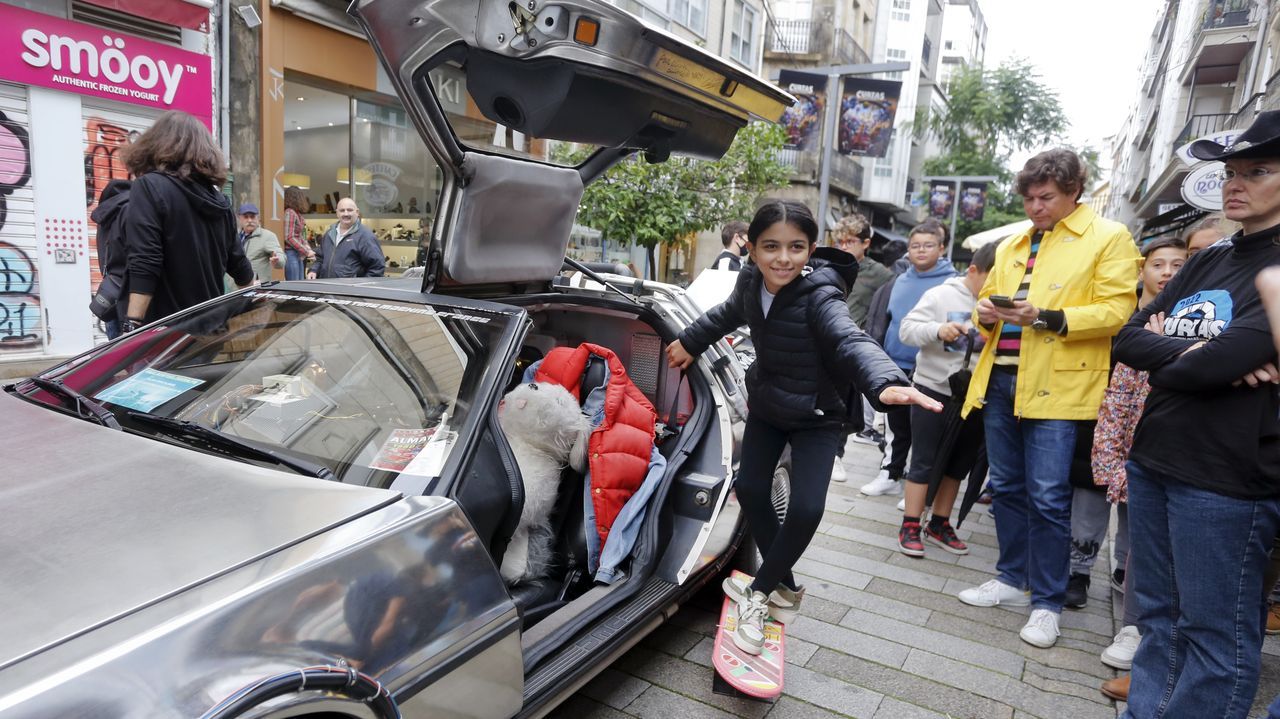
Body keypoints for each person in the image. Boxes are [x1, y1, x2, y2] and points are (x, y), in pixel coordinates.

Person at [666, 200, 943, 655]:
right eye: (771, 246)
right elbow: (728, 314)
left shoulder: (822, 294)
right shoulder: (751, 279)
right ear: (751, 249)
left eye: (796, 247)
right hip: (770, 405)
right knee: (751, 490)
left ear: (811, 250)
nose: (783, 258)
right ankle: (785, 584)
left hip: (819, 415)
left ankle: (759, 594)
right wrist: (689, 342)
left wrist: (886, 380)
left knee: (807, 508)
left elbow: (849, 338)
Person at [1113, 112, 1280, 719]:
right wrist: (1202, 354)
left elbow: (1217, 362)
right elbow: (1128, 339)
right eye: (1231, 172)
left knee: (1216, 635)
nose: (1236, 183)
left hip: (1227, 477)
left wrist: (1194, 355)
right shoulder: (1210, 257)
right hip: (1157, 455)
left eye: (1257, 171)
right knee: (1157, 618)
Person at [954, 148, 1141, 650]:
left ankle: (1049, 603)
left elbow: (1119, 310)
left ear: (1074, 190)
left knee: (1049, 496)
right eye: (1031, 198)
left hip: (1060, 383)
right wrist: (985, 316)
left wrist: (1046, 316)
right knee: (1008, 488)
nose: (1036, 207)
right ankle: (1012, 578)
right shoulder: (1014, 240)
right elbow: (984, 301)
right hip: (999, 379)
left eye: (1047, 197)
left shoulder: (1110, 236)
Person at [1087, 236, 1188, 703]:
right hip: (1139, 456)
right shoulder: (1141, 324)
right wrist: (1111, 460)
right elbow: (1119, 399)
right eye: (1158, 263)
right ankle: (1134, 630)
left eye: (1180, 263)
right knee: (1136, 550)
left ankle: (1166, 649)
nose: (1167, 272)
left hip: (1198, 455)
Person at [895, 240, 997, 557]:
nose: (995, 287)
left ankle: (939, 522)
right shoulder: (942, 294)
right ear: (973, 270)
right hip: (933, 389)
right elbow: (907, 330)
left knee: (958, 464)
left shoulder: (1002, 304)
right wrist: (939, 330)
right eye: (991, 278)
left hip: (976, 396)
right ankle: (911, 522)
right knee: (924, 460)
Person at [120, 110, 253, 332]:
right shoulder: (219, 201)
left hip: (162, 331)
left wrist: (132, 323)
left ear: (155, 144)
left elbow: (145, 261)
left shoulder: (149, 187)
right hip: (209, 331)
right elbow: (240, 267)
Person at [860, 223, 956, 498]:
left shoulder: (952, 283)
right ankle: (890, 473)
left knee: (926, 434)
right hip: (895, 366)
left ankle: (920, 489)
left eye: (928, 245)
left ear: (941, 248)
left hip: (931, 372)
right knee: (895, 427)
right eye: (915, 245)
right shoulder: (898, 281)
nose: (921, 250)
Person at [834, 213, 895, 450]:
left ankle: (838, 453)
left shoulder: (880, 274)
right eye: (840, 241)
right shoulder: (833, 265)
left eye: (850, 241)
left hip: (854, 342)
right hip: (826, 339)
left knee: (845, 400)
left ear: (866, 243)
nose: (843, 246)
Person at [309, 198, 385, 279]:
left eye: (349, 210)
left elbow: (377, 268)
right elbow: (320, 258)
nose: (346, 214)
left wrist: (362, 286)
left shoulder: (365, 236)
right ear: (337, 213)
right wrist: (314, 270)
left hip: (349, 290)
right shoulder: (329, 234)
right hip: (327, 287)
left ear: (357, 212)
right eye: (342, 210)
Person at [236, 203, 282, 283]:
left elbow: (279, 255)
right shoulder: (234, 236)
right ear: (240, 218)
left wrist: (277, 261)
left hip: (257, 287)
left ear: (258, 218)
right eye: (246, 217)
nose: (250, 220)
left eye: (252, 217)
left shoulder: (267, 236)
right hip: (235, 287)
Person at [282, 186, 315, 280]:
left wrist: (308, 249)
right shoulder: (290, 213)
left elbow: (301, 236)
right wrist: (306, 251)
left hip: (297, 253)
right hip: (290, 253)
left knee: (300, 283)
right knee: (294, 285)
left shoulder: (298, 214)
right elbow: (288, 237)